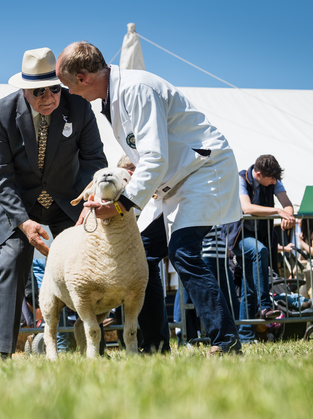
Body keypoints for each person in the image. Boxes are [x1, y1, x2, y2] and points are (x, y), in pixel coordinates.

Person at [56, 41, 241, 355]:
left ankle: (226, 342)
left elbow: (155, 157)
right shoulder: (116, 97)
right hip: (173, 181)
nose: (70, 93)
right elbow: (144, 152)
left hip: (201, 171)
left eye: (68, 86)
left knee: (183, 253)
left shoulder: (137, 89)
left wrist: (120, 205)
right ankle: (154, 345)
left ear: (84, 77)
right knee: (143, 254)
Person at [0, 47, 107, 359]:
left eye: (55, 87)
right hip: (17, 205)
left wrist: (85, 205)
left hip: (67, 201)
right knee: (12, 259)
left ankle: (94, 345)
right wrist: (23, 223)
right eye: (39, 90)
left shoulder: (79, 107)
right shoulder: (1, 113)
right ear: (25, 90)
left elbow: (94, 160)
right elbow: (0, 175)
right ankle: (2, 352)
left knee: (84, 263)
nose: (49, 96)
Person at [226, 155, 294, 343]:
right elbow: (246, 208)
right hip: (239, 238)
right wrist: (278, 212)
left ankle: (246, 336)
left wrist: (287, 217)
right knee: (260, 250)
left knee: (249, 288)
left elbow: (287, 205)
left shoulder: (273, 180)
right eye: (271, 179)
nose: (274, 182)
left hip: (261, 236)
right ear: (258, 174)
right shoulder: (240, 179)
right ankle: (265, 306)